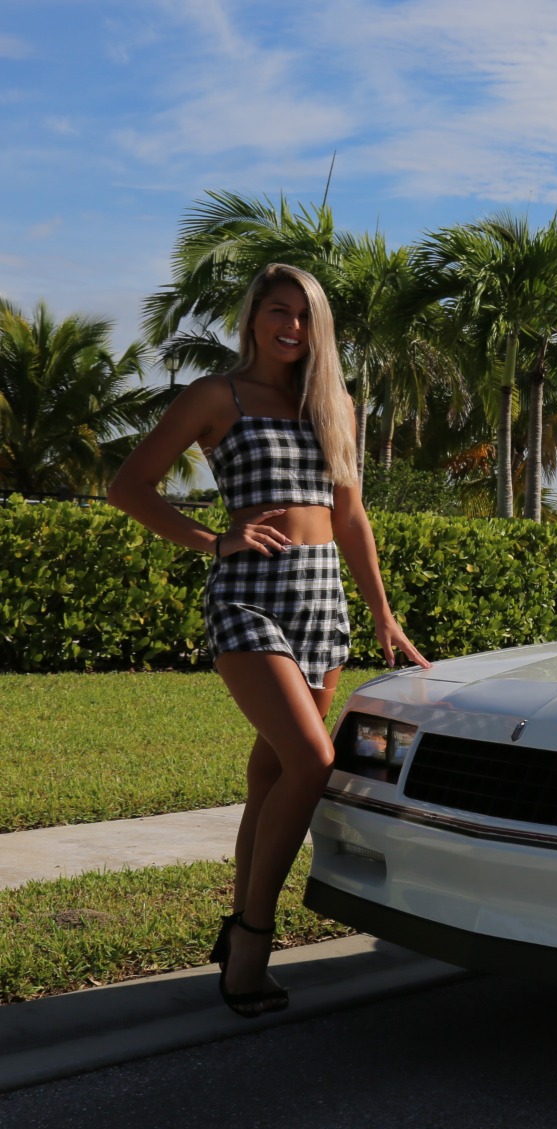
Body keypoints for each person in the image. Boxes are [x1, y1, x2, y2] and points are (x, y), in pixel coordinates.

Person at [109, 262, 429, 1016]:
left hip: (322, 603)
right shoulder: (215, 396)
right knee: (313, 761)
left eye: (305, 316)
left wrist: (383, 612)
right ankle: (254, 935)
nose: (291, 327)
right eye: (278, 312)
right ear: (253, 316)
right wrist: (215, 542)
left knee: (269, 777)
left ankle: (236, 927)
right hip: (249, 601)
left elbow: (350, 516)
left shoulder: (333, 403)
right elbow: (129, 486)